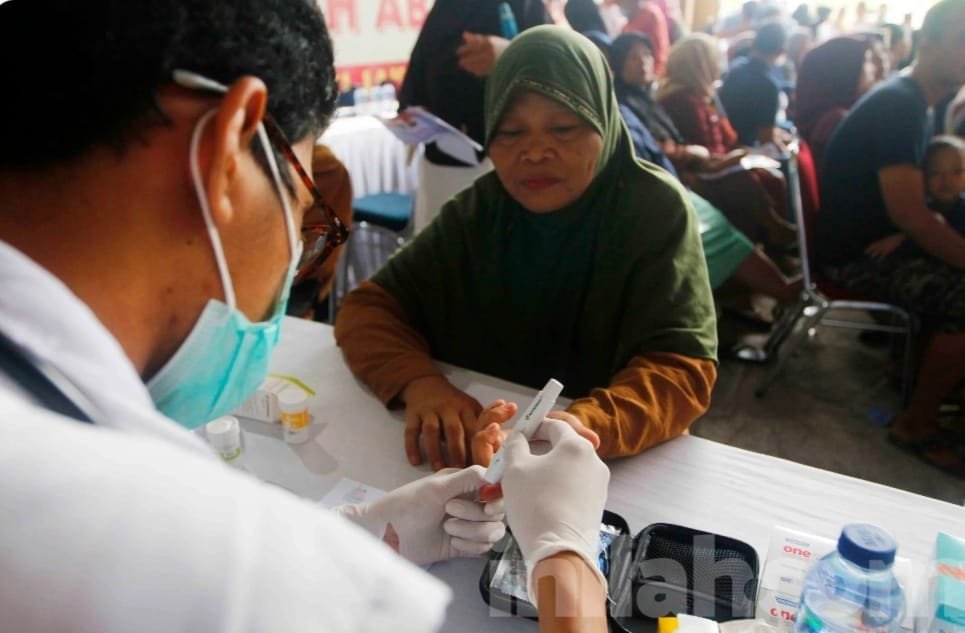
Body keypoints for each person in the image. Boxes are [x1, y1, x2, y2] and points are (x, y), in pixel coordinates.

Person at [0, 1, 613, 631]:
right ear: (228, 153)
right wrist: (566, 555)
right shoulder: (198, 569)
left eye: (563, 129)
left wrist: (363, 532)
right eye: (303, 212)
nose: (299, 250)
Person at [335, 26, 718, 468]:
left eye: (564, 127)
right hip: (476, 457)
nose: (535, 152)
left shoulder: (652, 209)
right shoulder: (480, 209)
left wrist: (586, 423)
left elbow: (683, 368)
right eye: (511, 132)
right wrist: (421, 384)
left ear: (605, 121)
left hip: (605, 468)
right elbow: (368, 309)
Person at [814, 0, 965, 478]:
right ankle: (915, 421)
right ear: (929, 44)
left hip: (866, 243)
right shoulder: (900, 106)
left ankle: (911, 371)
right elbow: (914, 218)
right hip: (852, 257)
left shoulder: (914, 101)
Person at [605, 32, 801, 310]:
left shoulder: (648, 98)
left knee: (742, 201)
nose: (644, 63)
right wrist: (695, 155)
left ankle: (771, 286)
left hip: (676, 181)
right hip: (664, 188)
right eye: (634, 57)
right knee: (742, 189)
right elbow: (654, 152)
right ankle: (765, 284)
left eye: (647, 55)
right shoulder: (630, 103)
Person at [399, 0, 549, 232]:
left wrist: (509, 56)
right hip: (441, 161)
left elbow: (555, 67)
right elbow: (419, 68)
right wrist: (412, 110)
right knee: (439, 256)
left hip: (509, 161)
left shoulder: (526, 5)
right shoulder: (447, 7)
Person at [657, 33, 797, 254]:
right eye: (714, 61)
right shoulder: (682, 100)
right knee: (750, 181)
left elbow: (727, 138)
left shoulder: (703, 95)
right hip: (703, 171)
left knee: (770, 176)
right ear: (700, 65)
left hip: (718, 162)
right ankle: (770, 243)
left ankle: (771, 248)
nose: (719, 68)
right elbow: (703, 148)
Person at [793, 36, 877, 170]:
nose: (873, 69)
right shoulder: (836, 122)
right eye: (866, 62)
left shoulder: (831, 114)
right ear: (846, 70)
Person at [719, 21, 790, 147]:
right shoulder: (768, 86)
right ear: (780, 51)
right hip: (745, 147)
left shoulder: (736, 67)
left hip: (724, 137)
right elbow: (765, 138)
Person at [619, 0, 671, 75]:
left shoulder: (650, 15)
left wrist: (655, 75)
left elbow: (659, 50)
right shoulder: (626, 25)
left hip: (654, 72)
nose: (620, 5)